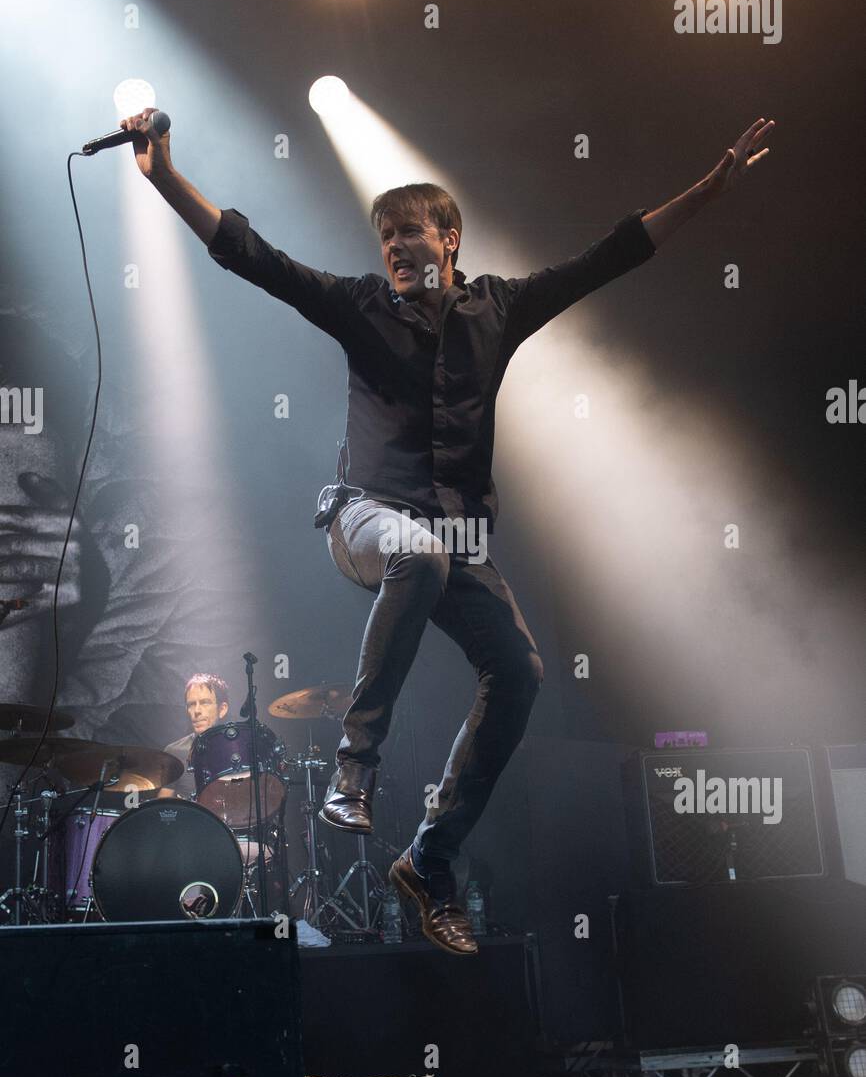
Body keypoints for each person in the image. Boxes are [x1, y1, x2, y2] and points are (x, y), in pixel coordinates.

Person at [121, 106, 774, 954]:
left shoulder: (496, 310)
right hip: (363, 518)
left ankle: (430, 859)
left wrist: (710, 185)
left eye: (408, 233)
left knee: (523, 673)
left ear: (451, 238)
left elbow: (610, 256)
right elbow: (253, 256)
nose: (393, 248)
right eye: (384, 236)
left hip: (453, 538)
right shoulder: (359, 307)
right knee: (417, 555)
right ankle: (355, 767)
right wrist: (166, 175)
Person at [159, 672, 230, 800]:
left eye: (205, 703)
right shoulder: (174, 752)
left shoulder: (239, 748)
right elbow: (162, 807)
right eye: (191, 704)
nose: (197, 711)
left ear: (222, 709)